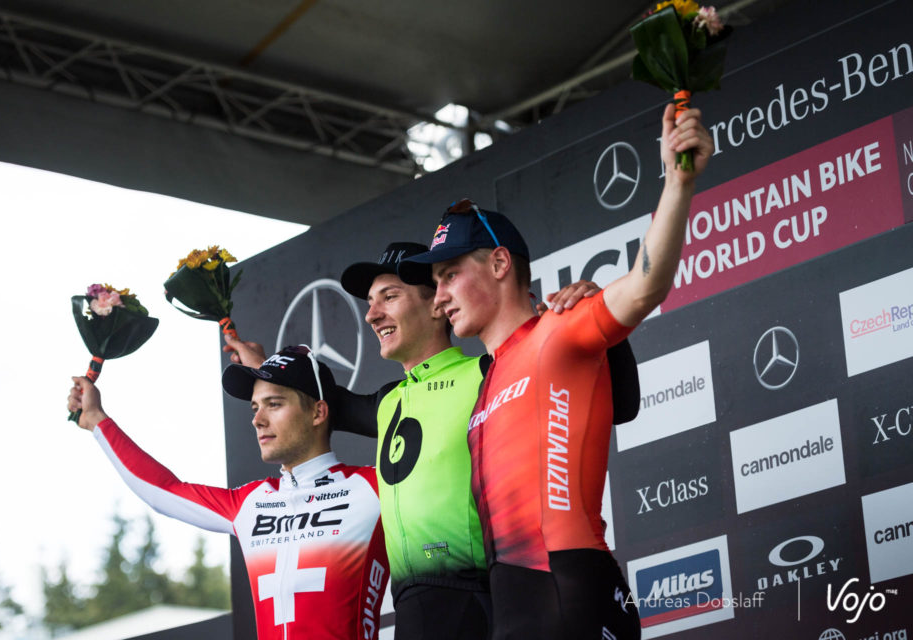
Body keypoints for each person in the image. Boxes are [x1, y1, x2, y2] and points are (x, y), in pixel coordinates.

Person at [397, 104, 714, 639]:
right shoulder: (486, 378)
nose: (439, 297)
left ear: (500, 264)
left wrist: (677, 184)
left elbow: (645, 286)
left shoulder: (558, 330)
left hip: (573, 596)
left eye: (449, 275)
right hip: (514, 612)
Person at [226, 243, 637, 640]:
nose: (372, 314)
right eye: (370, 302)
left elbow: (621, 405)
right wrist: (265, 369)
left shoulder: (490, 372)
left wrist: (605, 329)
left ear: (438, 304)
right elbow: (313, 403)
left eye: (390, 297)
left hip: (481, 597)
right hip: (412, 609)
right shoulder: (388, 402)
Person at [66, 345, 388, 640]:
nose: (257, 420)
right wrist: (96, 420)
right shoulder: (251, 503)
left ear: (318, 412)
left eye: (274, 404)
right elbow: (163, 489)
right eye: (255, 407)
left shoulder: (375, 487)